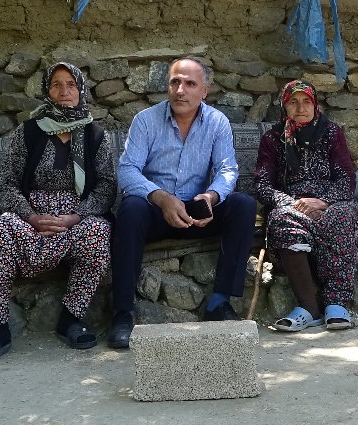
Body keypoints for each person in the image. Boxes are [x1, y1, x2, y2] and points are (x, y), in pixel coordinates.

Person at [0, 62, 116, 364]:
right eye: (56, 84)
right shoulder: (29, 132)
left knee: (99, 233)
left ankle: (71, 319)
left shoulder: (95, 136)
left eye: (71, 84)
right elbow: (8, 184)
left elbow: (106, 188)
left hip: (75, 220)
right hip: (30, 219)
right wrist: (32, 217)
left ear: (81, 89)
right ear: (46, 90)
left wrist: (75, 216)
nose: (64, 91)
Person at [108, 57, 258, 349]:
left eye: (190, 83)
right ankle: (123, 313)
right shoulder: (146, 121)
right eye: (175, 82)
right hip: (155, 212)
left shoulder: (217, 123)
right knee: (130, 208)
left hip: (196, 213)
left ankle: (218, 302)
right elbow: (127, 170)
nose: (181, 90)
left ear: (204, 90)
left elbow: (228, 170)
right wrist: (161, 198)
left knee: (243, 205)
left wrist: (211, 197)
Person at [253, 79, 358, 331]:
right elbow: (263, 184)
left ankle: (336, 303)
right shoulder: (273, 139)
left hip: (330, 201)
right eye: (293, 102)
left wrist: (323, 201)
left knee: (340, 216)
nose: (300, 107)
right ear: (284, 106)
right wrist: (292, 203)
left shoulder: (331, 133)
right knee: (282, 219)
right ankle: (309, 308)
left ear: (315, 105)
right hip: (292, 203)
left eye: (306, 101)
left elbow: (347, 177)